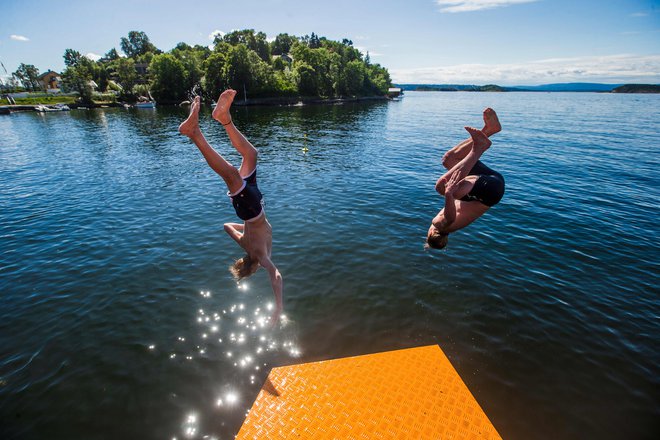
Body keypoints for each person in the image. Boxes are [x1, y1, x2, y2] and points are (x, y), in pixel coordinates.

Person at [179, 90, 283, 322]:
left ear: (253, 267)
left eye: (254, 271)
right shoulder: (245, 244)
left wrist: (278, 307)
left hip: (252, 208)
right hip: (253, 207)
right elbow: (227, 226)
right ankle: (223, 116)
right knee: (251, 154)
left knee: (231, 175)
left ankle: (194, 133)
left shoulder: (259, 255)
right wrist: (245, 228)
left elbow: (276, 275)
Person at [427, 108, 505, 249]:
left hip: (492, 183)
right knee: (442, 188)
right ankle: (479, 147)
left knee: (449, 159)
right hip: (489, 191)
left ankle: (489, 130)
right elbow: (449, 218)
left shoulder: (451, 229)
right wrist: (449, 194)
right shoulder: (440, 226)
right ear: (430, 233)